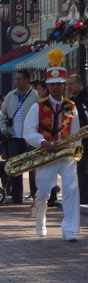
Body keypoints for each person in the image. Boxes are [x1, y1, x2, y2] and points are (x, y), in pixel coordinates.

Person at [24, 50, 81, 242]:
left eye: (60, 84)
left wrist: (76, 151)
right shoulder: (37, 107)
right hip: (46, 154)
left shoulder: (71, 106)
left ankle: (69, 228)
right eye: (53, 84)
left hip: (66, 155)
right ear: (47, 86)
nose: (56, 88)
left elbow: (76, 131)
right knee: (43, 192)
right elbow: (28, 132)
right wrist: (42, 142)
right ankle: (40, 219)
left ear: (64, 85)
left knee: (71, 190)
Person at [0, 70, 39, 204]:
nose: (17, 82)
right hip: (13, 137)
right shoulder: (10, 96)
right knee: (15, 167)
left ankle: (36, 195)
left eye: (20, 79)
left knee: (33, 167)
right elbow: (3, 116)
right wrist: (4, 129)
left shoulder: (35, 96)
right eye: (16, 79)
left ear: (27, 80)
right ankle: (17, 196)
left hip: (30, 139)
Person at [66, 74, 88, 204]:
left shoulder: (84, 99)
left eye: (71, 84)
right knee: (79, 166)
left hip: (85, 139)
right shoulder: (71, 101)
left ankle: (84, 195)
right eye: (67, 84)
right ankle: (82, 193)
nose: (69, 87)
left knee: (83, 166)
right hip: (77, 140)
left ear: (80, 84)